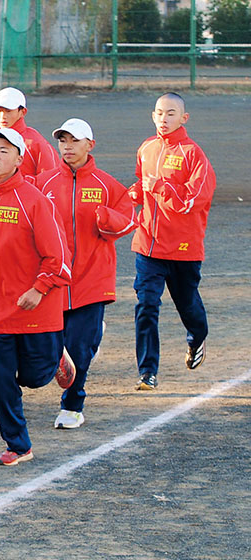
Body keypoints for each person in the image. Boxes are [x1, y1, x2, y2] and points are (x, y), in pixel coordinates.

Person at [0, 127, 73, 466]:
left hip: (33, 308)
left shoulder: (35, 200)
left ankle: (54, 358)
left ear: (20, 159)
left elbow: (58, 257)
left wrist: (38, 289)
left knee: (34, 377)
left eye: (4, 151)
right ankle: (18, 445)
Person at [35, 118, 137, 428]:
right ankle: (91, 337)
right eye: (63, 140)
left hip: (92, 280)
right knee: (48, 347)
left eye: (74, 141)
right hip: (52, 281)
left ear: (90, 145)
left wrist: (106, 218)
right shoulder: (43, 183)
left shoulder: (107, 184)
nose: (67, 146)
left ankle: (72, 406)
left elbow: (128, 219)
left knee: (78, 348)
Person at [128, 92, 216, 390]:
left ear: (183, 118)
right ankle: (147, 371)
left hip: (183, 249)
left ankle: (197, 337)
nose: (163, 119)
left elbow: (193, 201)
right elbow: (141, 189)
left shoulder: (195, 155)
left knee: (188, 306)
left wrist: (161, 187)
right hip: (148, 246)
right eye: (158, 113)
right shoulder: (146, 148)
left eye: (170, 113)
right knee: (146, 305)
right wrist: (130, 196)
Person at [0, 86, 58, 184]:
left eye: (8, 111)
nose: (3, 116)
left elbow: (51, 182)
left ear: (22, 112)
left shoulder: (35, 143)